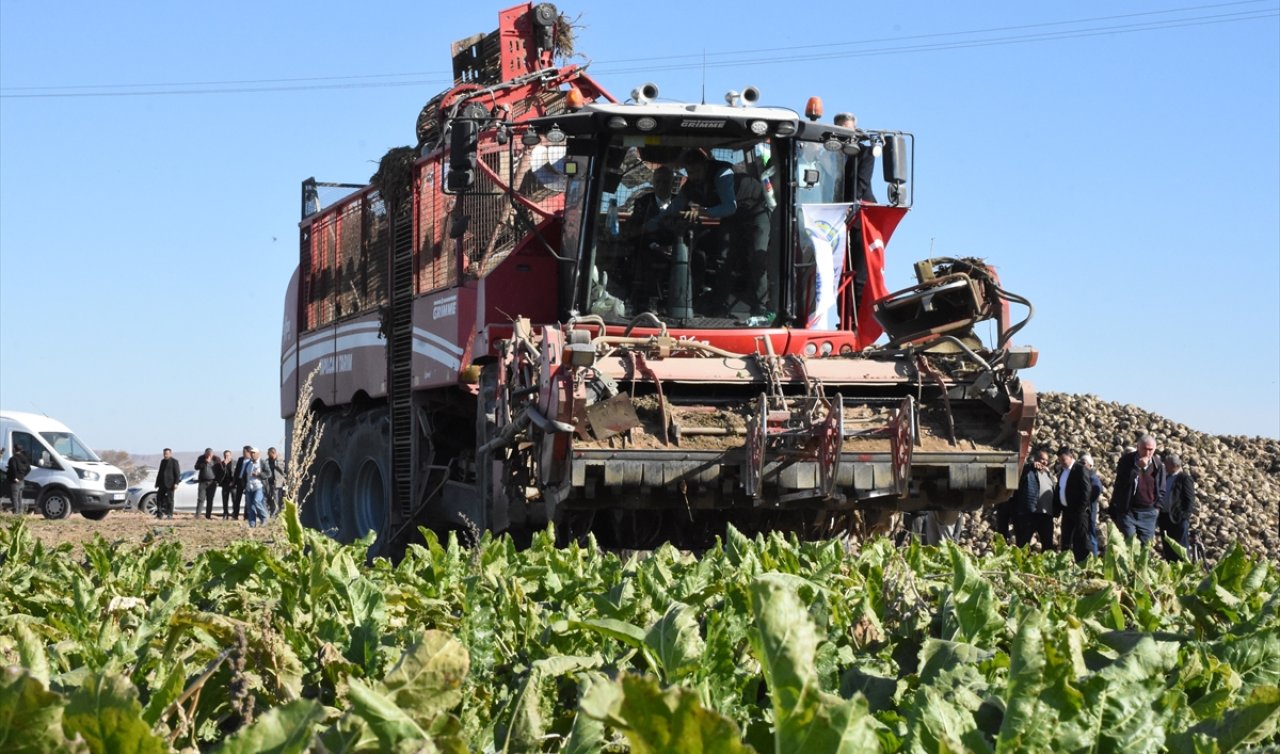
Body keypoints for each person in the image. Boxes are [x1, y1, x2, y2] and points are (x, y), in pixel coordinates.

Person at [651, 149, 771, 318]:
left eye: (697, 171)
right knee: (723, 258)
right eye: (689, 172)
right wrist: (649, 225)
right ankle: (719, 306)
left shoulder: (722, 174)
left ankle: (762, 308)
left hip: (755, 211)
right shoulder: (691, 185)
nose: (693, 176)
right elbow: (673, 208)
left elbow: (730, 206)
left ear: (706, 166)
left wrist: (701, 212)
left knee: (758, 258)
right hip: (733, 217)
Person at [1109, 434, 1166, 544]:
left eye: (1151, 450)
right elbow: (1122, 483)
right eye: (1145, 449)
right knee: (1129, 544)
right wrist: (1136, 468)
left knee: (1145, 548)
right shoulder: (1126, 461)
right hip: (1128, 511)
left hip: (1148, 513)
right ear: (1138, 447)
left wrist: (1157, 507)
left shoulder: (1157, 464)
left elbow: (1162, 488)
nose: (1148, 453)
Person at [1063, 452, 1104, 562]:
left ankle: (1093, 559)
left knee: (1089, 534)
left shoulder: (1091, 475)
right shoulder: (1079, 473)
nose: (1081, 464)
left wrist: (1086, 502)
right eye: (1080, 462)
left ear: (1090, 465)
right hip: (1083, 508)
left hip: (1088, 510)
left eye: (1084, 463)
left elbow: (1097, 488)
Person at [1014, 447, 1056, 550]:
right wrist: (1030, 466)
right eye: (1042, 459)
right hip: (1030, 514)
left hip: (1046, 516)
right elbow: (1020, 474)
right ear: (1035, 458)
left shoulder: (1048, 475)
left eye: (1046, 460)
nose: (1044, 462)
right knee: (1023, 543)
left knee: (1048, 545)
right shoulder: (1029, 470)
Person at [833, 112, 878, 204]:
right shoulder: (828, 154)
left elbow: (862, 182)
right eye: (841, 129)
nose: (845, 133)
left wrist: (850, 205)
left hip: (860, 208)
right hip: (833, 205)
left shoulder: (866, 153)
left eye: (848, 129)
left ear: (855, 130)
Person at [1158, 453, 1196, 560]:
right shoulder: (1166, 477)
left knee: (1180, 547)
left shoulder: (1184, 478)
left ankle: (1183, 569)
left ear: (1174, 465)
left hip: (1177, 518)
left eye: (1167, 465)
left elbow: (1189, 499)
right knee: (1168, 547)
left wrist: (1185, 517)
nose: (1165, 467)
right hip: (1165, 518)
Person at [241, 447, 268, 528]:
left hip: (259, 486)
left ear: (258, 454)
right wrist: (244, 486)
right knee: (250, 506)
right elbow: (244, 475)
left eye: (254, 453)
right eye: (251, 453)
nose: (252, 455)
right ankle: (252, 524)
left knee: (257, 501)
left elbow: (268, 474)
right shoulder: (248, 463)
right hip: (249, 487)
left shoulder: (262, 463)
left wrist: (259, 474)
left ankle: (264, 517)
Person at [1055, 447, 1076, 549]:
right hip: (1066, 511)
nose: (1061, 463)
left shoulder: (1079, 469)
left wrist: (1080, 508)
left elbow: (1087, 490)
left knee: (1078, 539)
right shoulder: (1062, 472)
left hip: (1077, 511)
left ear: (1071, 457)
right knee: (1066, 539)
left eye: (1063, 460)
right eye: (1059, 461)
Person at [193, 448, 221, 520]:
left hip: (212, 482)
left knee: (210, 499)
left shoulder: (216, 459)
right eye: (207, 454)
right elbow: (196, 467)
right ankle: (197, 515)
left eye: (210, 454)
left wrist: (218, 480)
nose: (208, 456)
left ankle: (208, 516)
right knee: (201, 499)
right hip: (203, 482)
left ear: (212, 454)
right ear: (205, 453)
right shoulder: (201, 458)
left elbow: (220, 470)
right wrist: (205, 462)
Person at [155, 448, 181, 520]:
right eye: (164, 454)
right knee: (159, 498)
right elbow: (160, 472)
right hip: (162, 484)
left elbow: (177, 473)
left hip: (170, 484)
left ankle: (170, 515)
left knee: (170, 500)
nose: (165, 455)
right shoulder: (162, 461)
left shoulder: (174, 462)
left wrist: (176, 483)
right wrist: (157, 483)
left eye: (166, 453)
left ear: (170, 454)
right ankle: (159, 514)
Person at [6, 447, 31, 515]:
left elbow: (13, 468)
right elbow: (29, 468)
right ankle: (20, 512)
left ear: (14, 449)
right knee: (19, 498)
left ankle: (16, 513)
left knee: (14, 497)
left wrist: (15, 477)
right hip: (22, 480)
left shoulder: (13, 459)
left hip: (14, 481)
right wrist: (23, 476)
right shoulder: (24, 458)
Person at [263, 447, 286, 518]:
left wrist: (276, 462)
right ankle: (270, 513)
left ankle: (275, 515)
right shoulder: (267, 461)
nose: (267, 454)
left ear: (273, 453)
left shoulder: (280, 460)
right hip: (268, 483)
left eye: (268, 453)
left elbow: (283, 471)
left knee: (276, 499)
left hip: (277, 484)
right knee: (268, 499)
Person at [231, 445, 251, 520]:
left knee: (247, 500)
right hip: (239, 481)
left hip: (247, 482)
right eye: (243, 451)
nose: (243, 453)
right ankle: (235, 515)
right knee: (237, 499)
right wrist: (234, 481)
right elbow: (236, 471)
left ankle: (246, 516)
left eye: (244, 452)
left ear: (249, 452)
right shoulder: (240, 459)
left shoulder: (252, 461)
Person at [218, 449, 236, 519]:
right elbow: (219, 474)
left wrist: (234, 482)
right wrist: (224, 465)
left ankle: (234, 513)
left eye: (228, 455)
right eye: (225, 456)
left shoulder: (235, 463)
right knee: (225, 500)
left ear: (231, 455)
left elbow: (237, 474)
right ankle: (225, 513)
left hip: (233, 484)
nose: (227, 457)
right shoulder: (222, 464)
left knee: (234, 500)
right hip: (225, 484)